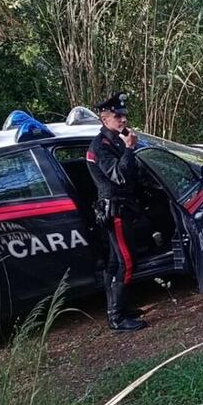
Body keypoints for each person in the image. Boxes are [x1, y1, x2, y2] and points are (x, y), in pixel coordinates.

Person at [87, 91, 148, 331]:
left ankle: (120, 308)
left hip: (125, 207)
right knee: (126, 262)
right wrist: (129, 149)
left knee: (114, 262)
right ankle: (117, 318)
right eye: (117, 116)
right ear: (104, 119)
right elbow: (120, 176)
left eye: (123, 115)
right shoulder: (101, 146)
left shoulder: (116, 139)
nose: (123, 120)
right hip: (116, 211)